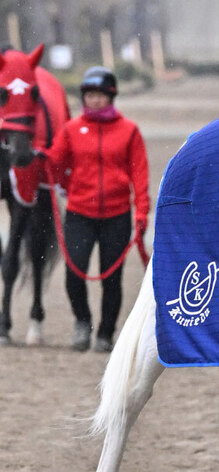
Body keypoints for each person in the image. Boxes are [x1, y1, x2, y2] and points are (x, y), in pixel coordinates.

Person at [43, 66, 150, 352]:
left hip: (117, 215)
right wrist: (39, 152)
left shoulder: (129, 131)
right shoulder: (72, 129)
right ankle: (82, 321)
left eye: (100, 95)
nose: (95, 100)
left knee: (111, 278)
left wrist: (141, 211)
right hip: (79, 213)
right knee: (74, 272)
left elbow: (139, 173)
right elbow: (55, 161)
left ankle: (105, 333)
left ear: (111, 96)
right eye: (90, 95)